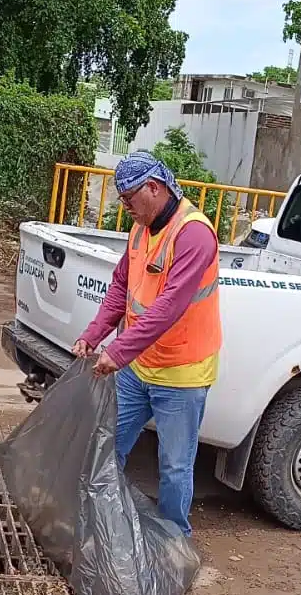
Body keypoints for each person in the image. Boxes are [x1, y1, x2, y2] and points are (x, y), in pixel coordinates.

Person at [72, 152, 221, 537]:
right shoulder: (141, 227)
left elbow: (169, 307)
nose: (125, 209)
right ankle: (102, 525)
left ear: (153, 189)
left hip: (182, 373)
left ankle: (174, 542)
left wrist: (117, 352)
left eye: (128, 200)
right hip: (139, 368)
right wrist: (93, 335)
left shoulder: (194, 234)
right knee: (108, 446)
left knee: (174, 466)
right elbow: (121, 285)